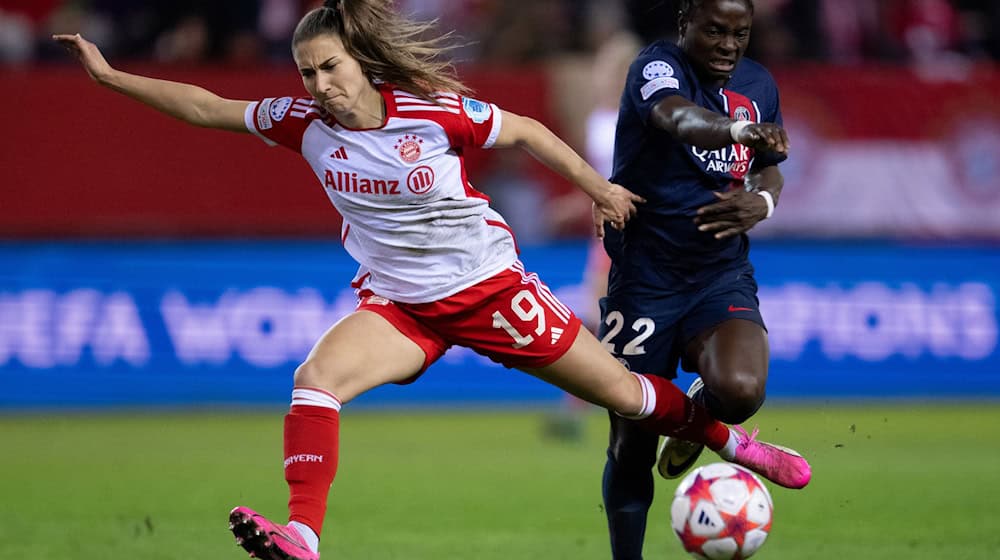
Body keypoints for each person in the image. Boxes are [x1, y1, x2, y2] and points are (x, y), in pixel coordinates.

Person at [54, 1, 809, 558]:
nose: (317, 84)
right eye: (307, 72)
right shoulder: (300, 122)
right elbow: (206, 106)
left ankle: (729, 443)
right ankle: (304, 536)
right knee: (315, 379)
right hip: (401, 307)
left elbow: (524, 130)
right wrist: (112, 76)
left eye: (329, 67)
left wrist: (597, 187)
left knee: (630, 397)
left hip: (492, 292)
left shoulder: (432, 112)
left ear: (363, 65)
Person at [597, 1, 796, 558]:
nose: (729, 45)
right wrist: (739, 130)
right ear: (685, 21)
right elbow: (677, 118)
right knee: (631, 445)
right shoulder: (656, 67)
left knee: (741, 392)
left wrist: (762, 200)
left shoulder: (759, 83)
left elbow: (769, 165)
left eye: (740, 33)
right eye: (715, 31)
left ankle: (697, 416)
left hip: (719, 271)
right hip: (644, 277)